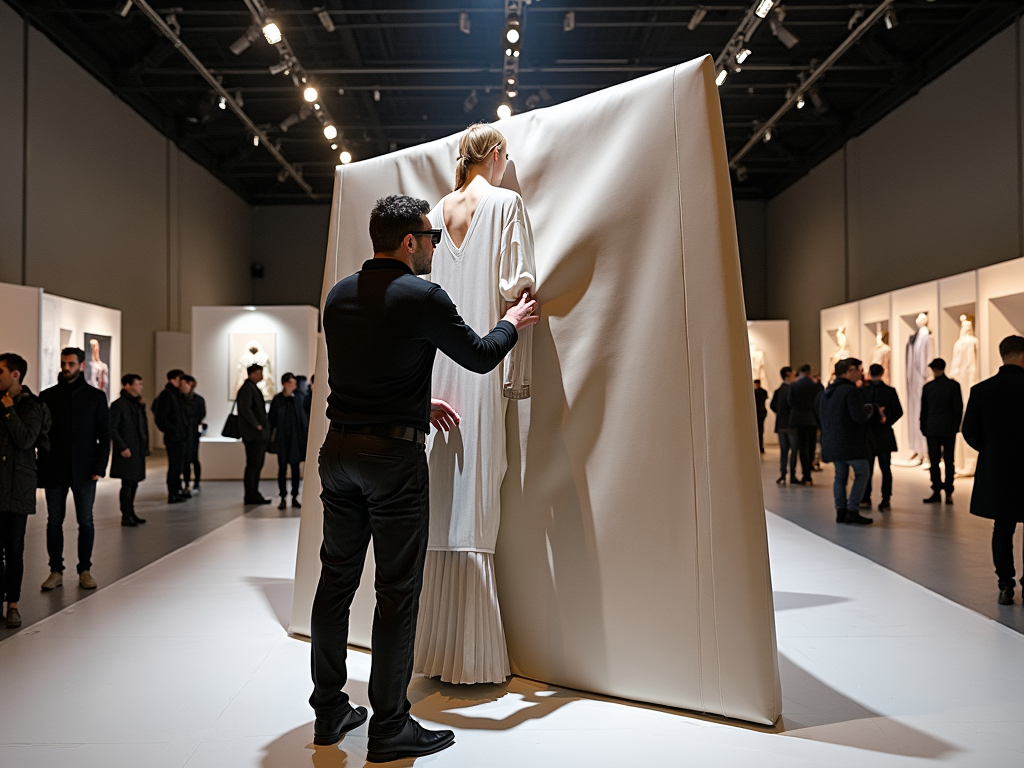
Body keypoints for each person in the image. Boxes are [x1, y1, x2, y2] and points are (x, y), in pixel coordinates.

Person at [309, 194, 538, 761]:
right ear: (409, 242)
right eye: (430, 236)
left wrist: (417, 401)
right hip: (392, 461)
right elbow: (482, 356)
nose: (436, 243)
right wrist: (511, 321)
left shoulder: (339, 295)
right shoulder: (423, 295)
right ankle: (389, 726)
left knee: (335, 584)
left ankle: (330, 710)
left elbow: (370, 364)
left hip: (340, 453)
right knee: (395, 593)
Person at [416, 122, 537, 686]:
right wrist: (518, 372)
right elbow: (519, 291)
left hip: (439, 374)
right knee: (477, 503)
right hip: (483, 368)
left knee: (443, 500)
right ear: (493, 155)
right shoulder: (508, 204)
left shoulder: (432, 216)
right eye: (504, 157)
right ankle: (473, 657)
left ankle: (437, 651)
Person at [37, 347, 110, 591]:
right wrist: (42, 466)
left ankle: (85, 570)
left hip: (86, 470)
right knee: (54, 522)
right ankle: (55, 570)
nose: (65, 368)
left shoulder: (95, 397)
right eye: (63, 363)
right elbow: (41, 435)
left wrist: (100, 466)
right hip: (54, 469)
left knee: (86, 522)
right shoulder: (47, 396)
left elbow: (104, 435)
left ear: (81, 365)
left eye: (70, 363)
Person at [962, 335, 1024, 605]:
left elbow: (969, 432)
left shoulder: (982, 390)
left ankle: (1005, 585)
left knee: (1002, 528)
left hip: (997, 469)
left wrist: (989, 451)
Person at [0, 353, 48, 629]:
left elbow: (26, 439)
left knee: (14, 548)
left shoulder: (32, 405)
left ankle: (13, 605)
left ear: (15, 375)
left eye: (1, 372)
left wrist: (9, 410)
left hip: (19, 486)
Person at [817, 358, 875, 525]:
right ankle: (852, 510)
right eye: (859, 370)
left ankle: (840, 511)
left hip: (833, 442)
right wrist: (869, 410)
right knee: (862, 473)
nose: (861, 373)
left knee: (840, 476)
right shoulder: (850, 391)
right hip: (851, 443)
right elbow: (859, 417)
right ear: (850, 370)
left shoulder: (827, 392)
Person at [920, 358, 963, 505]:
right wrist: (955, 426)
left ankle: (937, 490)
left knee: (935, 461)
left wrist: (923, 426)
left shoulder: (929, 387)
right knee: (948, 461)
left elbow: (924, 410)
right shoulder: (953, 386)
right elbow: (958, 409)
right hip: (947, 429)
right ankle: (947, 491)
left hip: (933, 428)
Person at [861, 363, 902, 511]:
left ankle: (865, 497)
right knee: (885, 468)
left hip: (869, 434)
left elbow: (860, 411)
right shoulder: (889, 391)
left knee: (868, 469)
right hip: (884, 433)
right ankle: (886, 498)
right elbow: (898, 411)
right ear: (883, 372)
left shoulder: (863, 391)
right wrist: (886, 418)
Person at [109, 374, 148, 526]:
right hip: (127, 450)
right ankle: (126, 515)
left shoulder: (136, 404)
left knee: (133, 482)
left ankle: (131, 512)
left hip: (136, 449)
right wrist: (122, 447)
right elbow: (112, 428)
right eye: (138, 384)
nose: (141, 387)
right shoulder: (119, 405)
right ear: (128, 385)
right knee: (128, 483)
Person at [268, 372, 309, 509]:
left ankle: (295, 496)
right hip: (282, 439)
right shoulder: (278, 399)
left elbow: (303, 420)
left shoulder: (299, 398)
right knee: (282, 469)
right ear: (285, 384)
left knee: (295, 468)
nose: (294, 385)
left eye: (294, 383)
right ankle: (283, 497)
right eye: (291, 383)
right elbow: (272, 419)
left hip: (295, 440)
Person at [152, 369, 189, 503]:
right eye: (180, 379)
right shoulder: (167, 395)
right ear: (173, 380)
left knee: (178, 466)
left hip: (179, 436)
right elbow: (160, 418)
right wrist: (173, 431)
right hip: (174, 438)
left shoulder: (176, 395)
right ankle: (172, 494)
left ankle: (176, 491)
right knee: (174, 466)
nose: (182, 382)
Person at [237, 363, 271, 505]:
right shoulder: (248, 389)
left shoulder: (250, 388)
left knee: (255, 465)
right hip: (253, 435)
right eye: (259, 372)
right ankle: (251, 495)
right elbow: (245, 409)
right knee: (254, 465)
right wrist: (256, 425)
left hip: (255, 434)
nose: (261, 375)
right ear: (253, 373)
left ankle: (253, 493)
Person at [787, 364, 819, 485]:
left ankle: (806, 474)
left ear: (800, 372)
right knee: (811, 446)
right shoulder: (814, 386)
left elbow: (790, 401)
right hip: (811, 418)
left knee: (802, 447)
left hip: (798, 419)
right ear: (809, 372)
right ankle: (808, 474)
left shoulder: (794, 385)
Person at [770, 366, 797, 484]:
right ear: (788, 374)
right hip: (791, 425)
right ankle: (792, 475)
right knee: (794, 451)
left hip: (781, 424)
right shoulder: (793, 389)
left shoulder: (778, 390)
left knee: (784, 451)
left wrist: (780, 414)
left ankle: (783, 473)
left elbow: (772, 406)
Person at [181, 375, 206, 494]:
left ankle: (196, 482)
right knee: (185, 460)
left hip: (193, 432)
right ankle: (186, 483)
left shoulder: (198, 399)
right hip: (184, 433)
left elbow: (202, 414)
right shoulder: (179, 399)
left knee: (194, 458)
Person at [753, 379, 768, 453]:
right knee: (759, 430)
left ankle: (760, 445)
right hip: (759, 413)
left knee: (760, 430)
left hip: (760, 413)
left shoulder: (761, 392)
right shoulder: (756, 392)